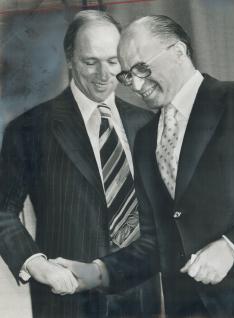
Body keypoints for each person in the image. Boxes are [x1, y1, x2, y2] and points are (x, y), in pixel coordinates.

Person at [54, 15, 234, 317]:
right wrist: (97, 272)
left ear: (178, 52)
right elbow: (157, 239)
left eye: (142, 68)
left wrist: (231, 247)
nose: (137, 85)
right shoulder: (144, 139)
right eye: (128, 76)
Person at [0, 10, 160, 318]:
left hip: (142, 298)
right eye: (90, 62)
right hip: (67, 299)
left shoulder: (147, 124)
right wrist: (36, 264)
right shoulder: (30, 128)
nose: (103, 74)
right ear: (70, 59)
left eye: (113, 62)